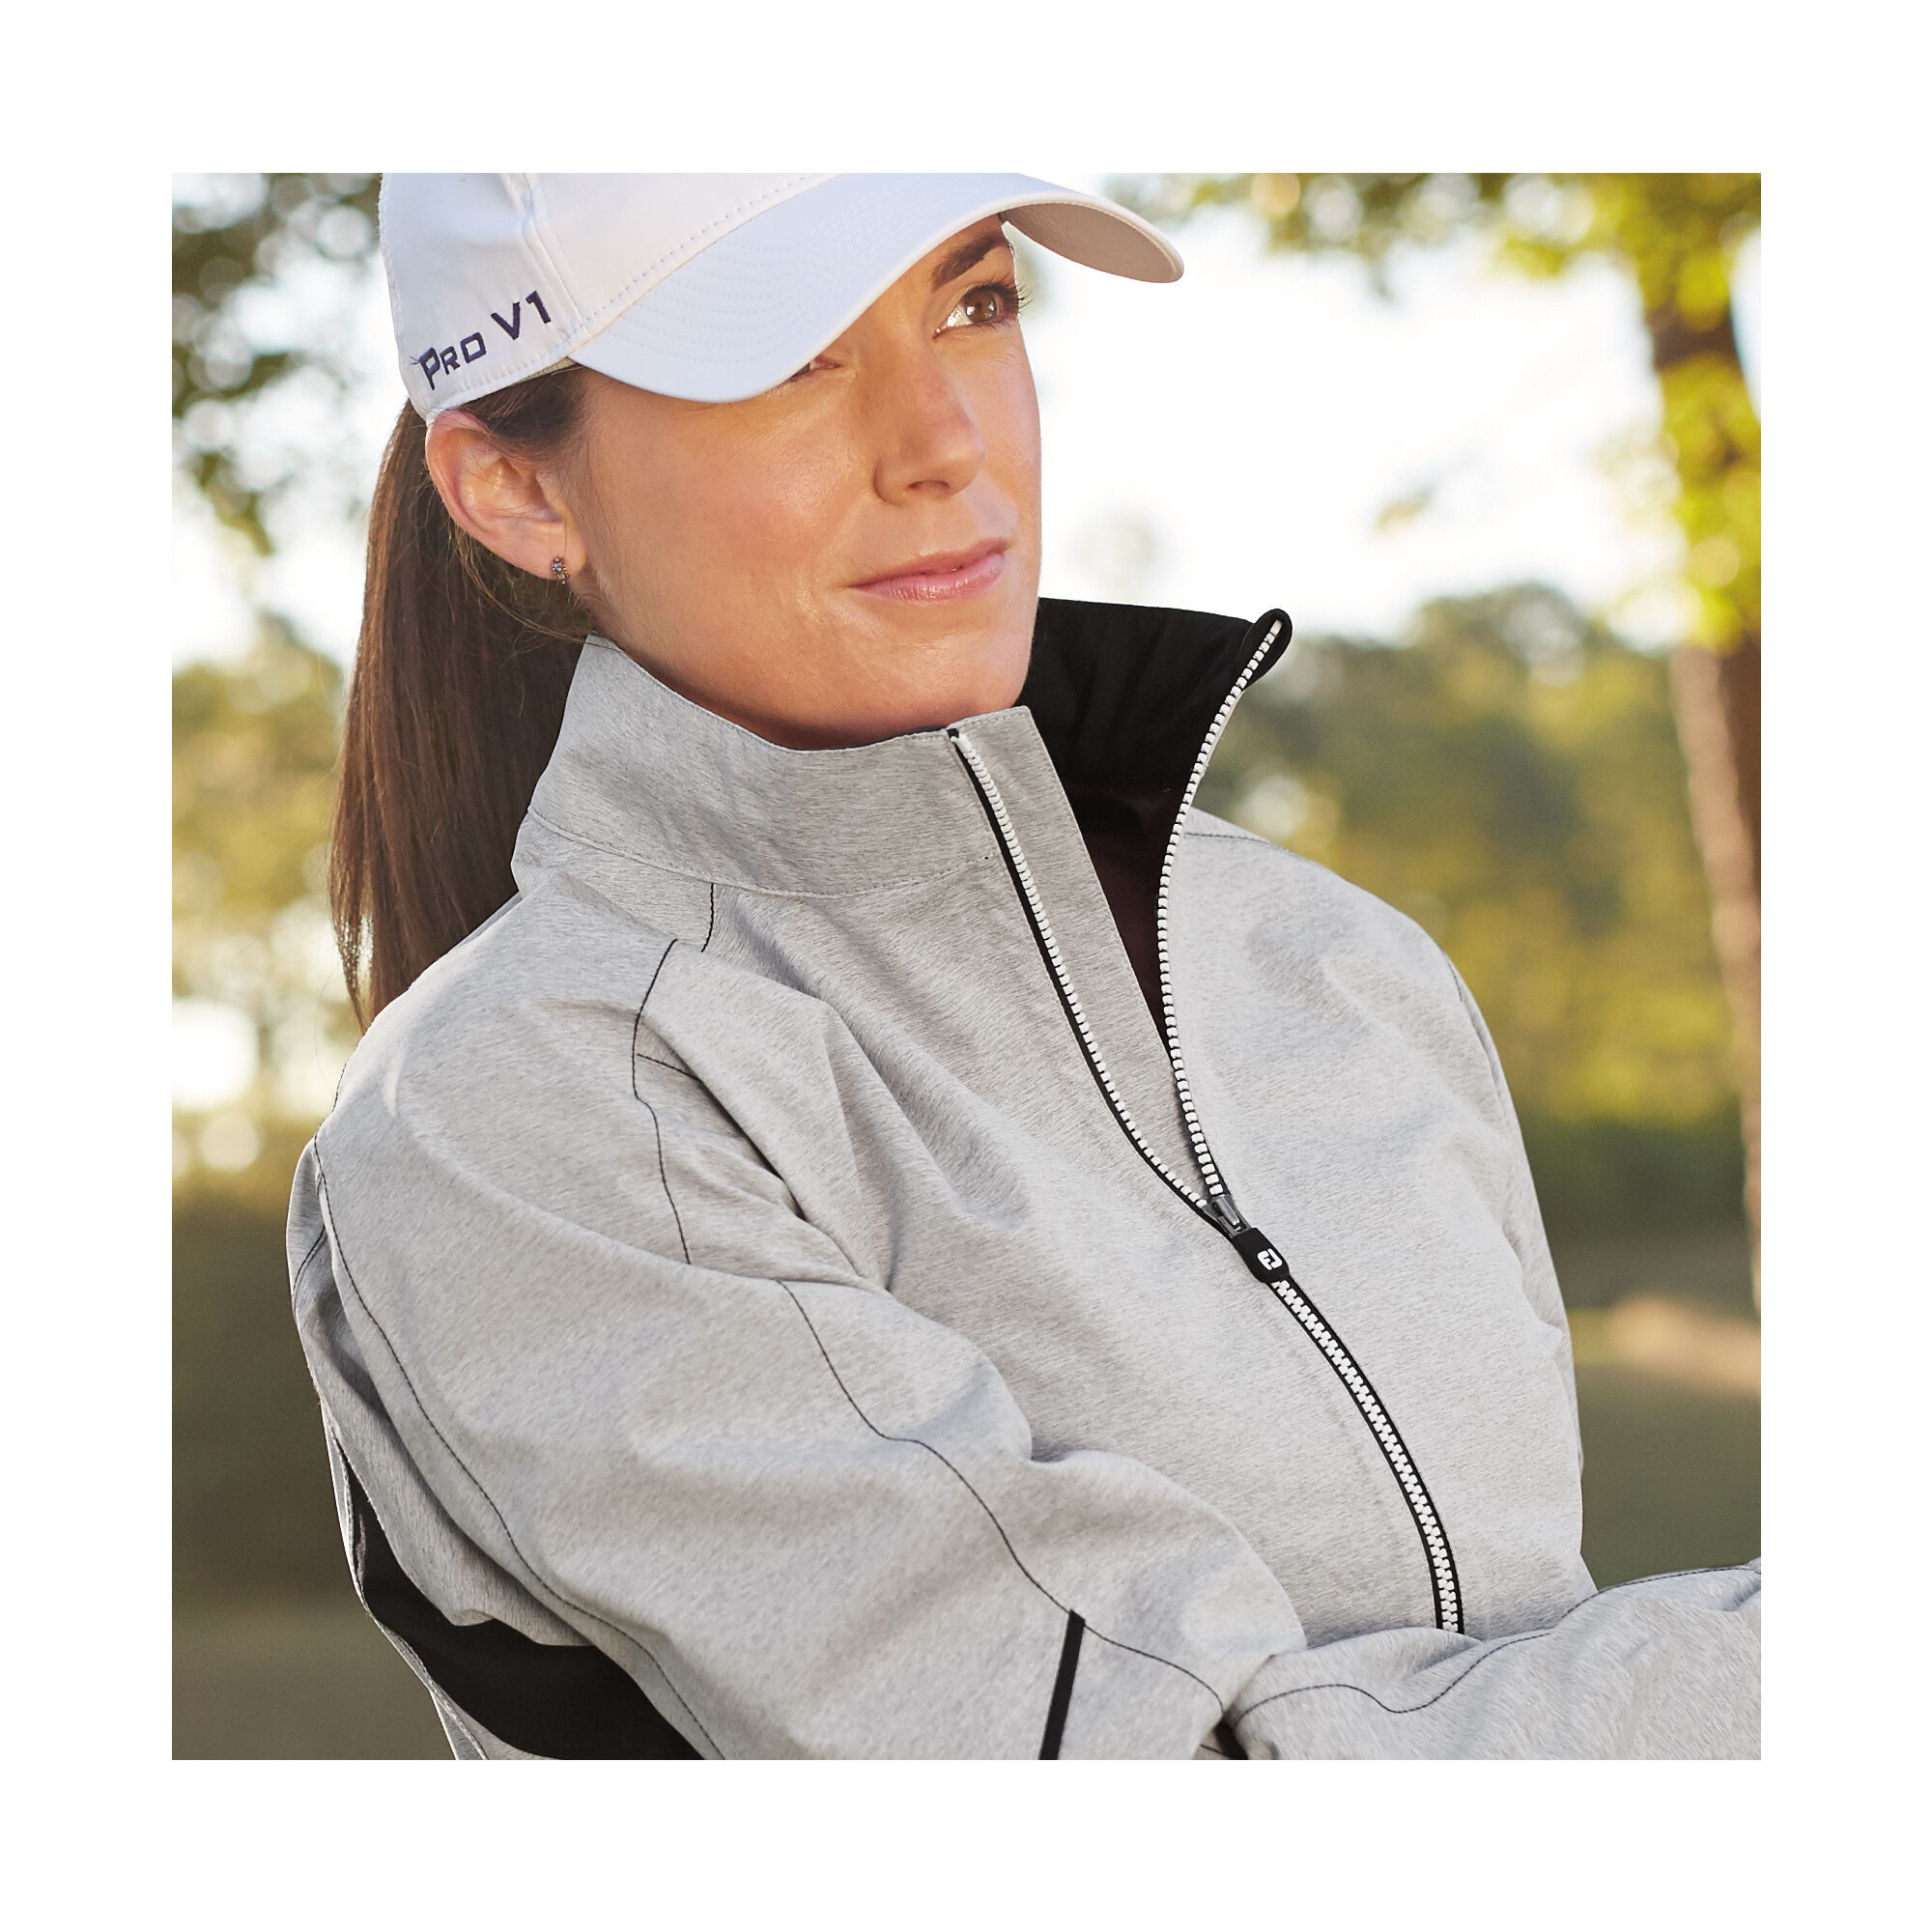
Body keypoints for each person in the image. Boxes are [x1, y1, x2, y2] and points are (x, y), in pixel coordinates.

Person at [290, 172, 1759, 1759]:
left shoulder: (1331, 960)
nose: (943, 443)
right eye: (788, 354)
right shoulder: (520, 1107)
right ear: (519, 490)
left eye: (974, 305)